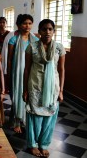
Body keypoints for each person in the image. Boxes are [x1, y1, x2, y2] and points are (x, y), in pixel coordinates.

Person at [23, 19, 65, 157]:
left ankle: (44, 144)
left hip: (53, 87)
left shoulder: (59, 48)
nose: (47, 32)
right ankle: (33, 145)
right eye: (44, 29)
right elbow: (27, 69)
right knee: (34, 116)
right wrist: (25, 90)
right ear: (39, 31)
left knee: (50, 116)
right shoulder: (31, 47)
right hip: (35, 85)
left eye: (50, 29)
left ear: (53, 31)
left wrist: (61, 90)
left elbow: (62, 69)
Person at [7, 14, 39, 133]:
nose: (27, 26)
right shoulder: (14, 39)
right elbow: (9, 59)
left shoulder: (35, 40)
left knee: (29, 95)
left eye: (30, 23)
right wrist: (9, 73)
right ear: (18, 25)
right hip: (17, 72)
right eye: (24, 23)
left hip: (31, 71)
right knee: (17, 95)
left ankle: (26, 120)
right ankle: (16, 121)